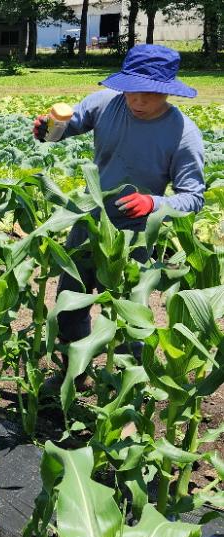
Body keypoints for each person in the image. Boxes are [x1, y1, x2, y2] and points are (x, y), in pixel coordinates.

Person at [32, 44, 205, 380]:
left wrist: (153, 204)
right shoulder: (106, 104)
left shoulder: (183, 135)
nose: (136, 101)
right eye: (130, 92)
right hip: (91, 221)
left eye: (148, 94)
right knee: (70, 301)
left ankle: (127, 391)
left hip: (136, 233)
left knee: (130, 314)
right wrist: (48, 130)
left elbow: (193, 197)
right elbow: (70, 123)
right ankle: (73, 372)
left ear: (167, 92)